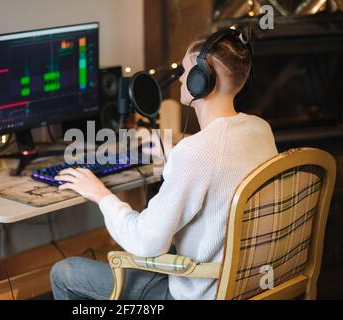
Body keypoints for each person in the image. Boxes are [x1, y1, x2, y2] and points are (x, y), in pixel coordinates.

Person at [50, 30, 278, 300]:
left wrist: (100, 194)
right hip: (248, 283)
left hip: (200, 290)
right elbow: (219, 167)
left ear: (202, 80)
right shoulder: (259, 129)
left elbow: (146, 242)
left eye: (185, 71)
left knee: (64, 272)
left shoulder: (195, 153)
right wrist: (173, 152)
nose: (181, 78)